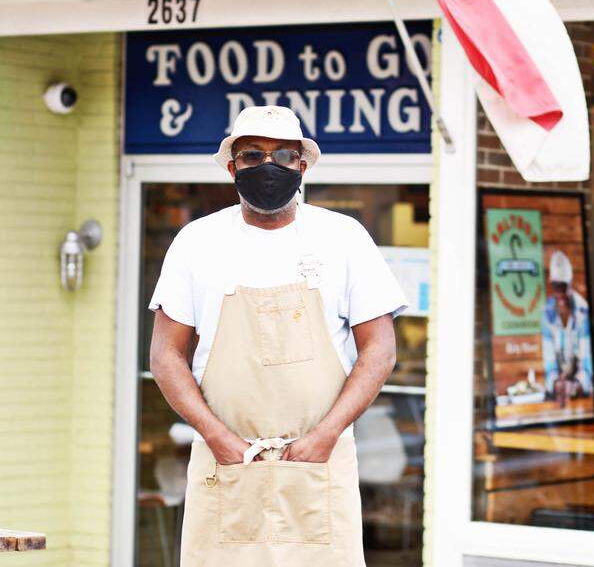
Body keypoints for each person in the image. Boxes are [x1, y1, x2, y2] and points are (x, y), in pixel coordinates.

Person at [148, 106, 407, 567]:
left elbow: (380, 350)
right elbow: (166, 356)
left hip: (318, 462)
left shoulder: (343, 238)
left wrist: (326, 434)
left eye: (283, 155)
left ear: (302, 166)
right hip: (227, 462)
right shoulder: (197, 243)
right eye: (253, 155)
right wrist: (215, 435)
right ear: (232, 167)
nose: (268, 166)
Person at [542, 250, 594, 404]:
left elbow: (586, 360)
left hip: (582, 391)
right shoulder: (547, 313)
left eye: (563, 286)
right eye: (555, 286)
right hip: (559, 393)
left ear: (570, 285)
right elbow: (549, 362)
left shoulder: (583, 311)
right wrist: (556, 383)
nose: (560, 293)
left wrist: (576, 385)